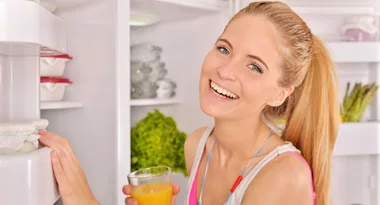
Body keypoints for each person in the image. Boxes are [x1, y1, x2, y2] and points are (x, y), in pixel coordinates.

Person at [39, 1, 340, 205]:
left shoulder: (284, 176)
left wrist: (83, 198)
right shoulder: (197, 145)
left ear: (280, 94)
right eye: (224, 49)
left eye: (254, 67)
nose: (224, 70)